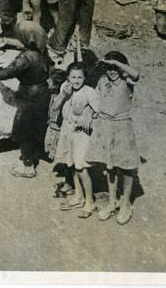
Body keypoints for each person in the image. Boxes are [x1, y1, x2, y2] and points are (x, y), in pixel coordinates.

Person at [0, 21, 51, 178]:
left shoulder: (25, 58)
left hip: (29, 97)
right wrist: (6, 41)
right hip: (42, 92)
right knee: (38, 126)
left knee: (24, 130)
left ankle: (28, 166)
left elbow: (1, 74)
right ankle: (38, 152)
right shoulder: (41, 50)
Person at [86, 52, 140, 225]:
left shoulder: (127, 80)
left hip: (122, 126)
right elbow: (91, 83)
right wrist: (102, 64)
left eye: (115, 68)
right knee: (109, 165)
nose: (112, 71)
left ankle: (126, 204)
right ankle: (112, 201)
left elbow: (136, 74)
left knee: (126, 166)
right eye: (109, 68)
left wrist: (116, 62)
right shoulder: (102, 80)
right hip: (105, 125)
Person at [53, 62, 100, 218]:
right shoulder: (65, 88)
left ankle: (89, 202)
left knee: (81, 168)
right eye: (73, 77)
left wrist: (90, 113)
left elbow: (101, 111)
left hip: (82, 134)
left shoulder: (89, 92)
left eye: (80, 77)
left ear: (85, 78)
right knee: (72, 164)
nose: (76, 81)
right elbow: (54, 107)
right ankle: (79, 197)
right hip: (67, 130)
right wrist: (63, 95)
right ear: (67, 77)